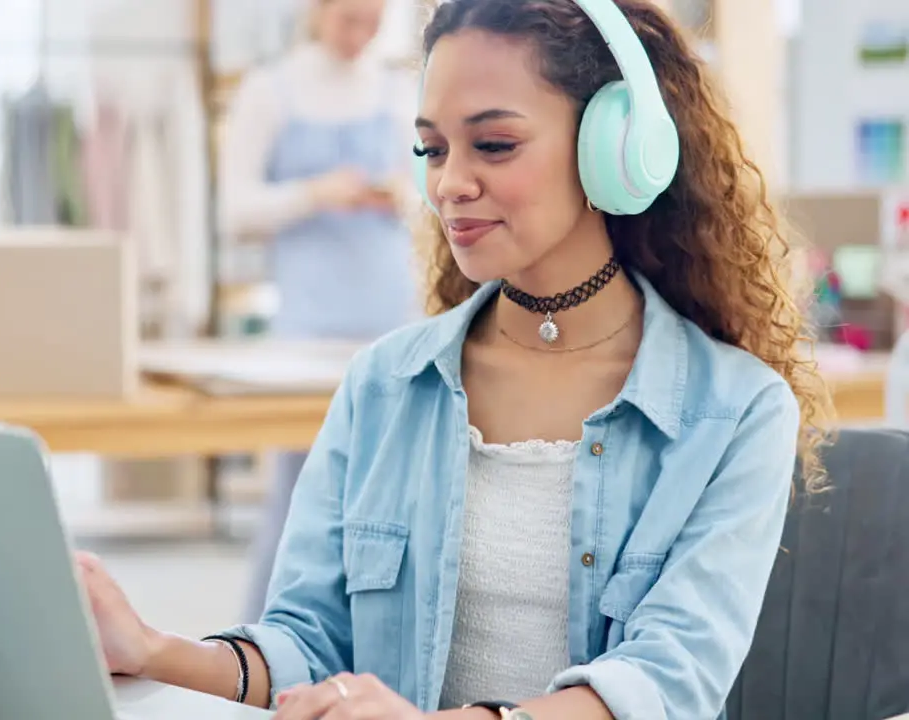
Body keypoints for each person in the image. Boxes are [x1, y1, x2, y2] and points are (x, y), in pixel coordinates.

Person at [77, 0, 833, 718]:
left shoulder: (736, 410)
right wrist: (152, 650)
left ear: (616, 148)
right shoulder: (384, 384)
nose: (448, 184)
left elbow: (666, 683)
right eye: (431, 149)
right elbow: (306, 642)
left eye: (493, 145)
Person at [221, 0, 422, 623]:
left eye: (373, 21)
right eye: (350, 19)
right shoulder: (269, 91)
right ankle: (268, 642)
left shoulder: (396, 91)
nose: (361, 35)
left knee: (395, 494)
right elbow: (235, 210)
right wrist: (314, 193)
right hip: (306, 327)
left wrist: (401, 196)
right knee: (300, 497)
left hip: (392, 313)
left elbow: (432, 198)